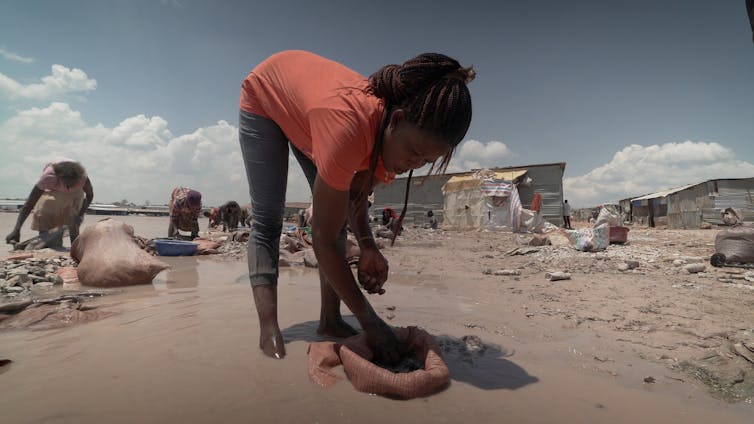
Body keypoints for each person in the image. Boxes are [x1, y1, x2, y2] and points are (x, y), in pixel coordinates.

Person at [238, 50, 473, 360]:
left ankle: (331, 321)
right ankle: (268, 330)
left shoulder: (392, 145)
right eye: (414, 152)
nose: (412, 164)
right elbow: (320, 236)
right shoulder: (348, 126)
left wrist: (368, 246)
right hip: (266, 94)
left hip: (311, 108)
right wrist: (369, 320)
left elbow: (354, 198)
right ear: (397, 120)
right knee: (268, 220)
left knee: (337, 223)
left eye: (425, 161)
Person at [5, 158, 93, 248]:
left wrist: (80, 214)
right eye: (67, 184)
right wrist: (17, 229)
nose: (69, 187)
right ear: (58, 178)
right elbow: (29, 204)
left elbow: (90, 196)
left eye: (72, 183)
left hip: (75, 193)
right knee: (46, 212)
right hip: (53, 189)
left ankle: (75, 248)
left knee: (73, 218)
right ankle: (48, 244)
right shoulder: (48, 177)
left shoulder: (82, 178)